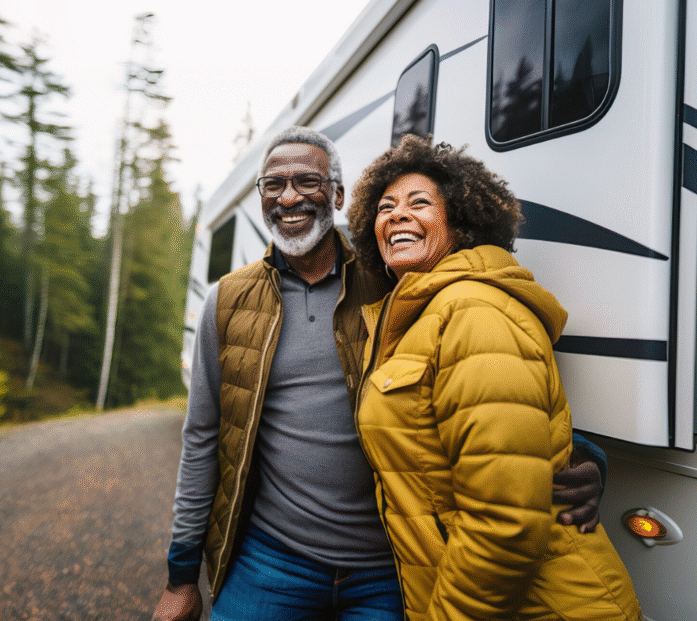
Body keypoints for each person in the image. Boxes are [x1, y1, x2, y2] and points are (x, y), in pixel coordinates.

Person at [152, 127, 607, 621]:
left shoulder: (392, 280)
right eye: (273, 185)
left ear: (338, 196)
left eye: (308, 182)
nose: (289, 197)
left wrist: (583, 456)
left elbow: (487, 389)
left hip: (388, 567)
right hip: (273, 557)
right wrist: (181, 574)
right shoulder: (228, 301)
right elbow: (203, 438)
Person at [346, 135, 642, 621]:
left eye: (419, 203)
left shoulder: (474, 312)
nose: (397, 215)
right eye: (385, 207)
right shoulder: (416, 317)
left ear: (462, 221)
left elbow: (504, 525)